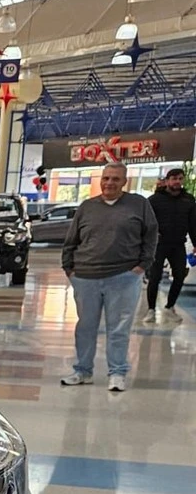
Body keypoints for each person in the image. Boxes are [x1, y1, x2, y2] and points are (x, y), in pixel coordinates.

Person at [60, 162, 158, 393]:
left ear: (124, 181)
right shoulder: (87, 206)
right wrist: (69, 268)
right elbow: (72, 239)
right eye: (106, 178)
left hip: (124, 277)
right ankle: (82, 371)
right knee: (85, 327)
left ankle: (117, 373)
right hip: (86, 276)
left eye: (115, 179)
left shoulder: (139, 205)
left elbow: (151, 235)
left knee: (119, 329)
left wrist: (142, 266)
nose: (109, 183)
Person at [144, 167, 196, 323]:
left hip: (178, 244)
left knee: (180, 276)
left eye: (180, 178)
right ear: (167, 181)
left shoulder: (189, 200)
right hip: (158, 244)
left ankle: (169, 307)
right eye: (174, 179)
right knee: (154, 277)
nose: (177, 181)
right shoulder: (154, 200)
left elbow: (193, 223)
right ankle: (151, 310)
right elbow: (146, 222)